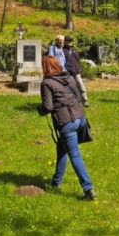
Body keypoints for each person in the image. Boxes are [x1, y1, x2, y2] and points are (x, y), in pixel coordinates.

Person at [38, 56, 96, 200]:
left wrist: (40, 110)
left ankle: (88, 189)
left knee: (74, 155)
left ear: (45, 67)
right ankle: (56, 181)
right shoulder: (69, 78)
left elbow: (48, 106)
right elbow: (78, 98)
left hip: (67, 122)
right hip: (80, 117)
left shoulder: (47, 83)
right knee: (62, 148)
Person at [62, 36, 90, 107]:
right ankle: (72, 102)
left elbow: (77, 60)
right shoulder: (62, 50)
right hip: (68, 73)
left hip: (76, 72)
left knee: (81, 87)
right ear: (64, 42)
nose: (70, 42)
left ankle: (85, 102)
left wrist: (79, 68)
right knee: (69, 89)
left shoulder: (74, 49)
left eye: (71, 40)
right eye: (68, 41)